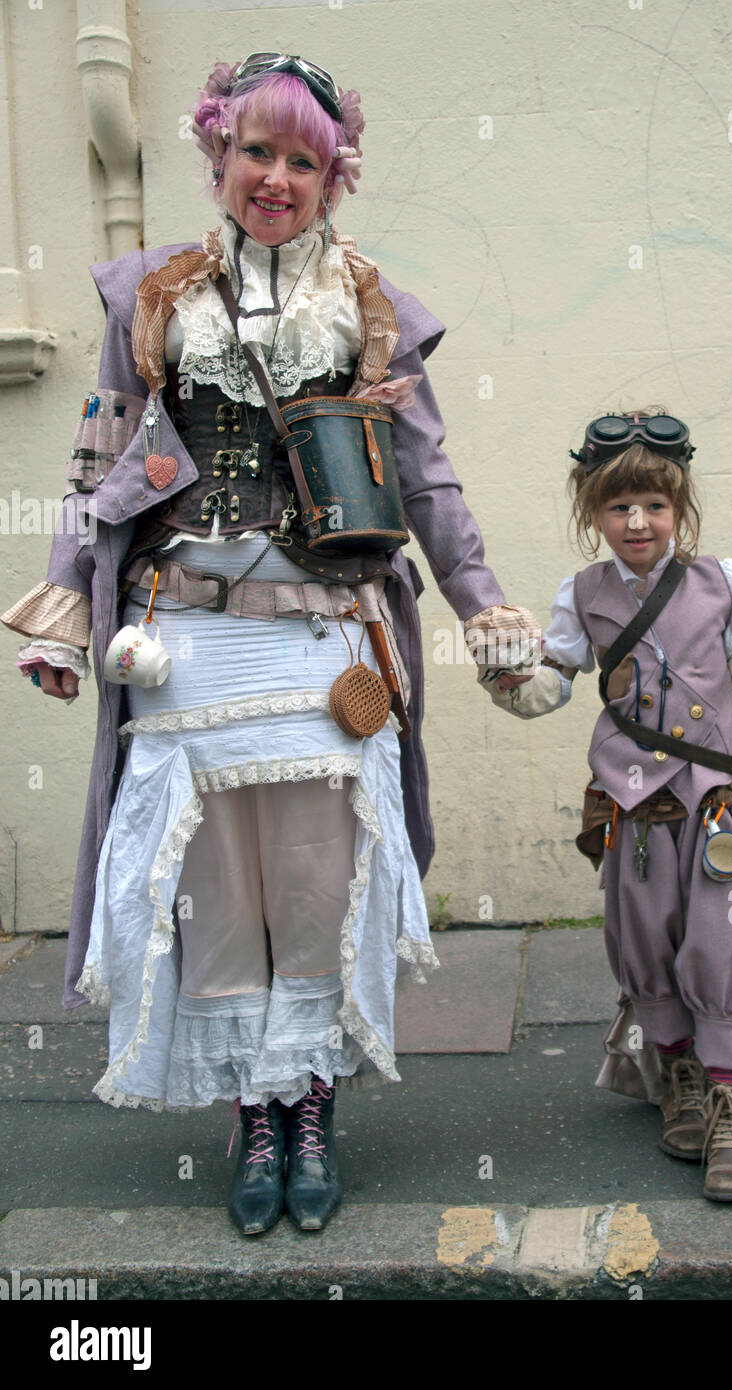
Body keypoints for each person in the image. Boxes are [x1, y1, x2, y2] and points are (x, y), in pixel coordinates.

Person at [1, 53, 535, 1236]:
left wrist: (483, 608)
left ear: (334, 174)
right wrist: (62, 610)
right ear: (218, 154)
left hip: (320, 641)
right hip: (181, 637)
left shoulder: (369, 307)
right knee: (211, 885)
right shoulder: (153, 294)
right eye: (257, 151)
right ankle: (252, 1107)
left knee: (317, 876)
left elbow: (428, 481)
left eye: (304, 158)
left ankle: (311, 1099)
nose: (276, 178)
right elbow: (98, 459)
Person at [485, 409, 732, 1202]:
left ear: (680, 509)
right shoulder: (581, 593)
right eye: (616, 507)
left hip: (714, 800)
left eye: (654, 506)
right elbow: (551, 686)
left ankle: (728, 1103)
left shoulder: (718, 579)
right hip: (635, 807)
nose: (636, 522)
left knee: (721, 945)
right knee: (645, 941)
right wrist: (504, 678)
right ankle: (678, 1081)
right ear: (591, 512)